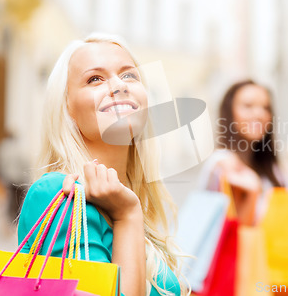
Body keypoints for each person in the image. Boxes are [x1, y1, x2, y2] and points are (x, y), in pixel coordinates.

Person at [17, 33, 188, 296]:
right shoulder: (59, 196)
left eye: (130, 75)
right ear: (66, 108)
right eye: (94, 79)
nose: (119, 86)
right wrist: (127, 215)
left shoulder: (130, 200)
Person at [198, 80, 286, 225]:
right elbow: (237, 233)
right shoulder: (223, 164)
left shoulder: (270, 169)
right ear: (229, 113)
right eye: (248, 106)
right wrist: (252, 193)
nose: (259, 114)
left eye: (266, 108)